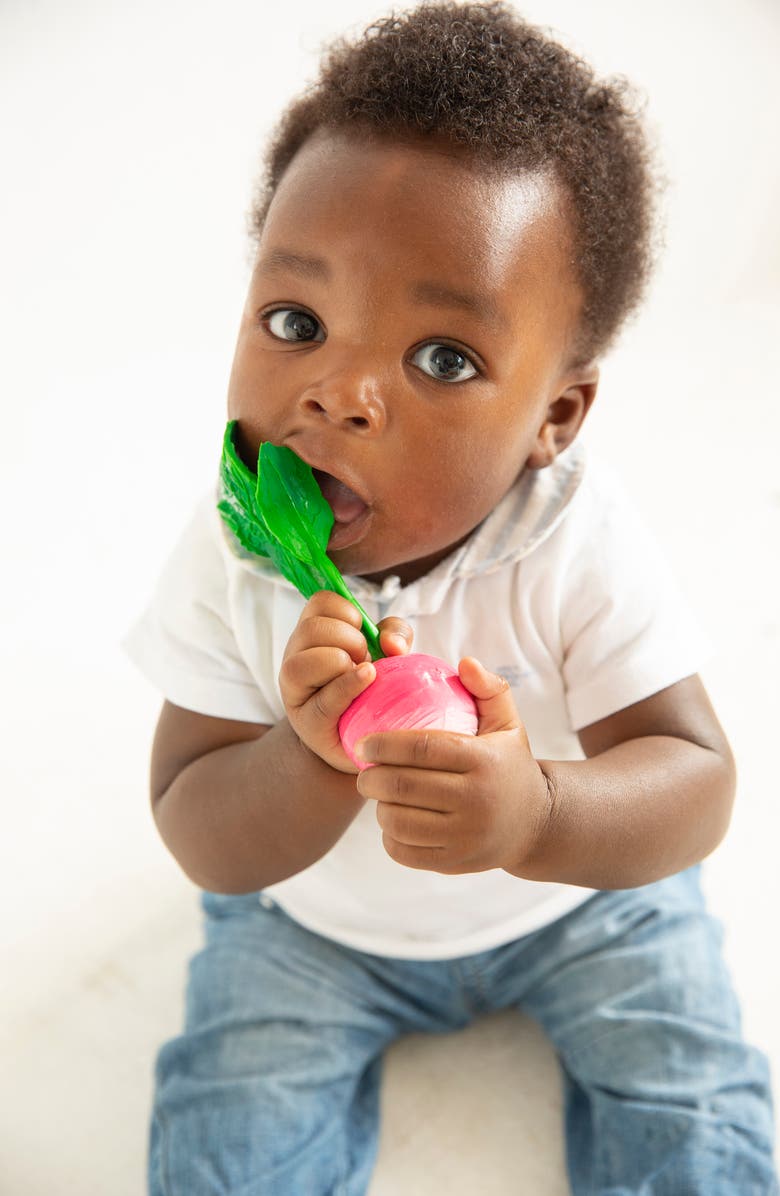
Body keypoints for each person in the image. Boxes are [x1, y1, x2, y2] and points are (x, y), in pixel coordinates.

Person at [125, 3, 778, 1192]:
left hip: (580, 910)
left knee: (701, 1123)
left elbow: (696, 777)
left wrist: (536, 816)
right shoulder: (232, 560)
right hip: (310, 933)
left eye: (443, 358)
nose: (338, 392)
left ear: (554, 419)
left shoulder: (574, 538)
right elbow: (193, 821)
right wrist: (310, 755)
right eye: (295, 321)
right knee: (224, 1147)